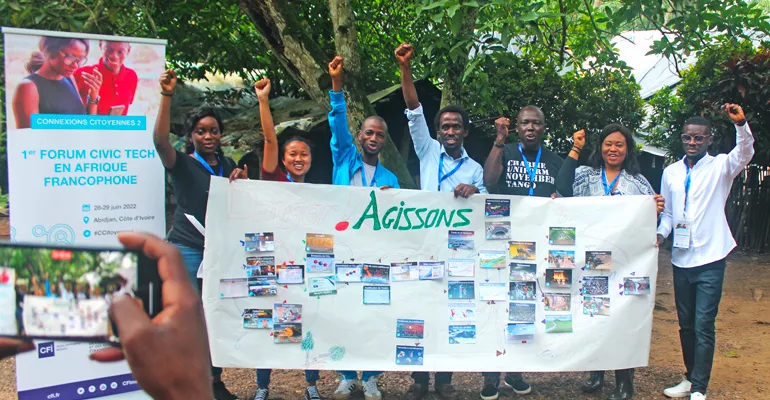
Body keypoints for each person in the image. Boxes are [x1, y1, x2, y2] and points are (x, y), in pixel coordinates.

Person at [396, 42, 485, 400]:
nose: (450, 131)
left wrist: (474, 191)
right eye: (445, 126)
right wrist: (405, 68)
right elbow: (414, 109)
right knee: (418, 307)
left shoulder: (475, 168)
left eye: (456, 126)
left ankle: (445, 377)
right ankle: (419, 378)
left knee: (451, 308)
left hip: (458, 250)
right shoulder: (427, 150)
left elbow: (483, 207)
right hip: (423, 243)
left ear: (464, 132)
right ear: (438, 131)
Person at [152, 68, 245, 400]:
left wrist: (242, 184)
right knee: (187, 320)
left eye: (214, 131)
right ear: (191, 135)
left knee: (214, 319)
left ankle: (214, 383)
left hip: (218, 253)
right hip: (187, 250)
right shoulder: (180, 162)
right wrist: (166, 95)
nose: (208, 136)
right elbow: (160, 140)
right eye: (201, 131)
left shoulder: (228, 165)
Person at [555, 125, 665, 400]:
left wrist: (656, 209)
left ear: (627, 150)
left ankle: (625, 382)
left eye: (619, 144)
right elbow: (561, 187)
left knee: (624, 319)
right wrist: (575, 147)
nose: (613, 149)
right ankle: (596, 374)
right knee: (595, 316)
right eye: (608, 144)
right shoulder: (585, 176)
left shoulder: (639, 183)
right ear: (600, 147)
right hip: (591, 261)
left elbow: (652, 221)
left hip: (625, 264)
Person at [657, 104, 755, 400]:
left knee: (703, 324)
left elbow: (745, 153)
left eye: (699, 138)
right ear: (682, 139)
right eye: (688, 138)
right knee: (686, 324)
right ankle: (689, 378)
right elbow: (669, 215)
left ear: (709, 139)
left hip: (711, 257)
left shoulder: (721, 166)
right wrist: (659, 235)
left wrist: (741, 125)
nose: (693, 143)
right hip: (681, 259)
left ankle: (700, 387)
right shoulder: (671, 172)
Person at [478, 110, 563, 399]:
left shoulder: (554, 161)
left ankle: (514, 373)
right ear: (517, 127)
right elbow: (489, 182)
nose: (530, 127)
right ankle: (490, 377)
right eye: (525, 123)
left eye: (536, 123)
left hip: (532, 248)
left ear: (543, 127)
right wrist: (499, 141)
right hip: (499, 240)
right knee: (494, 304)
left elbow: (563, 199)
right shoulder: (506, 151)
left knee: (521, 307)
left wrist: (559, 200)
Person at [327, 55, 393, 400]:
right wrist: (336, 86)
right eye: (368, 132)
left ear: (384, 141)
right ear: (360, 136)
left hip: (374, 254)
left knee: (374, 313)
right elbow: (337, 128)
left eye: (379, 135)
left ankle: (370, 377)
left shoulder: (391, 179)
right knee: (342, 313)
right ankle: (345, 375)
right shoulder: (344, 161)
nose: (373, 138)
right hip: (340, 249)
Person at [254, 77, 322, 400]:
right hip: (272, 262)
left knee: (307, 324)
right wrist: (263, 101)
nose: (298, 159)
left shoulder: (318, 193)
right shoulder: (273, 179)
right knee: (271, 322)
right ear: (283, 159)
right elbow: (269, 139)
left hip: (305, 266)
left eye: (304, 155)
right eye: (293, 154)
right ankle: (262, 387)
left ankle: (311, 383)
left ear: (311, 160)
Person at [12, 36, 102, 128]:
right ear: (51, 51)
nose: (75, 65)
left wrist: (93, 97)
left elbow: (87, 127)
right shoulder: (28, 87)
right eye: (70, 58)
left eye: (81, 59)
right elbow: (28, 138)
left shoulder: (69, 78)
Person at [74, 41, 138, 116]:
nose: (114, 56)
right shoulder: (83, 74)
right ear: (101, 45)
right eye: (109, 50)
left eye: (120, 52)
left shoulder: (131, 76)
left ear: (128, 50)